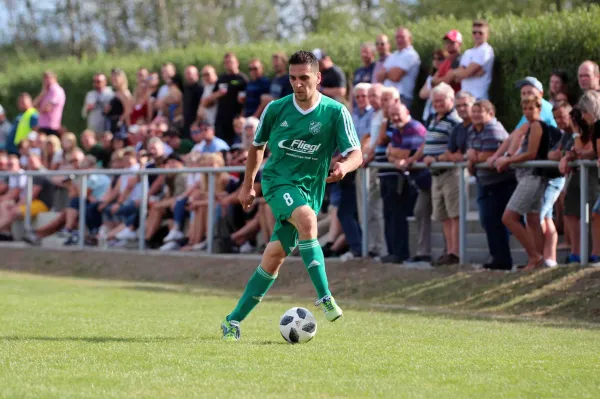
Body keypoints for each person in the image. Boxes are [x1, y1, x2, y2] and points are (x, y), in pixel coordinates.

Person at [221, 51, 362, 341]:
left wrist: (344, 167)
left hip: (310, 189)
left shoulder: (335, 112)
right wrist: (248, 184)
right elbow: (257, 147)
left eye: (304, 78)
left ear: (318, 78)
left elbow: (356, 153)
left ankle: (232, 321)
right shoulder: (276, 109)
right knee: (308, 219)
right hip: (277, 182)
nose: (297, 84)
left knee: (273, 257)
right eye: (292, 78)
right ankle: (324, 297)